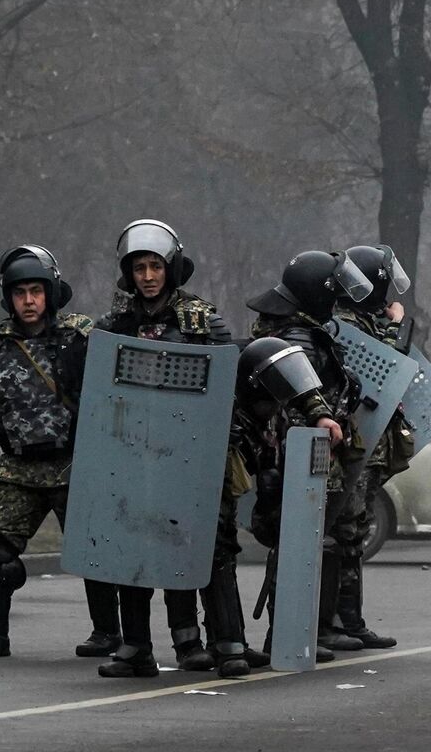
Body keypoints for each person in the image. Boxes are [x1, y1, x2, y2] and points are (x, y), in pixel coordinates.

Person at [88, 219, 261, 679]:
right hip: (134, 454)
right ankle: (137, 647)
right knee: (132, 541)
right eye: (139, 267)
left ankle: (229, 642)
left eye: (155, 266)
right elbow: (98, 391)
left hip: (198, 455)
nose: (147, 275)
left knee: (213, 547)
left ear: (171, 268)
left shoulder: (203, 320)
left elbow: (232, 384)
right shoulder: (114, 326)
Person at [0, 245, 94, 659]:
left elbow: (105, 395)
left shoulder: (78, 338)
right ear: (8, 298)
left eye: (35, 291)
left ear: (50, 291)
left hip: (73, 464)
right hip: (19, 468)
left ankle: (106, 632)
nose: (28, 301)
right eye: (19, 293)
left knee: (93, 551)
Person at [246, 250, 362, 659]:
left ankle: (298, 630)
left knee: (305, 542)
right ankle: (285, 633)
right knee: (297, 542)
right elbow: (299, 402)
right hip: (293, 457)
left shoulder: (296, 329)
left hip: (295, 453)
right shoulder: (298, 338)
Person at [327, 243, 415, 650]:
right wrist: (394, 326)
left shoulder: (364, 318)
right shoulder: (344, 322)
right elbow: (380, 366)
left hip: (371, 444)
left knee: (356, 530)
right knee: (345, 531)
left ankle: (351, 620)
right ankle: (336, 621)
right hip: (351, 446)